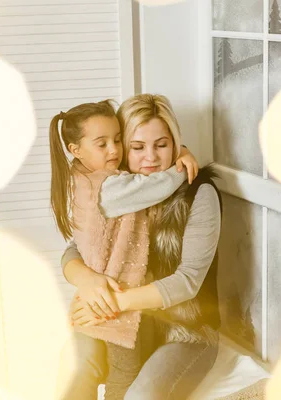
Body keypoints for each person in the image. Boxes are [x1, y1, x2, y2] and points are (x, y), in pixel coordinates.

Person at [61, 94, 222, 400]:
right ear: (122, 148)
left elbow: (187, 281)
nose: (150, 157)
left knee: (139, 396)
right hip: (122, 322)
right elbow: (74, 248)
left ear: (174, 143)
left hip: (184, 330)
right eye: (137, 147)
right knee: (73, 370)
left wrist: (111, 304)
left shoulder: (199, 193)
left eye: (162, 145)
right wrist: (89, 281)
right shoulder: (118, 187)